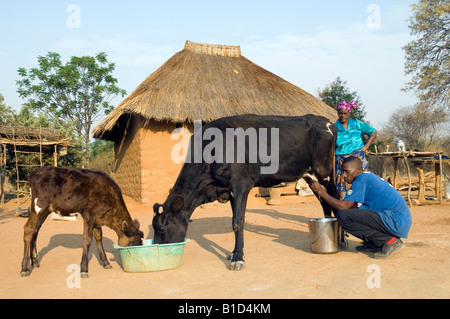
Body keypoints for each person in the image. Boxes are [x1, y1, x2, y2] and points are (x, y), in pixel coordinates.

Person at [309, 156, 412, 259]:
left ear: (358, 171)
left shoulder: (361, 179)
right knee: (351, 213)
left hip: (395, 220)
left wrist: (321, 192)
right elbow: (352, 207)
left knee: (343, 216)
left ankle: (390, 241)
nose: (344, 175)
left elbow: (343, 207)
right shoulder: (365, 177)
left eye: (347, 172)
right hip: (397, 219)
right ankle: (375, 243)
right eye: (343, 172)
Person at [335, 100, 377, 200]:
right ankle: (345, 210)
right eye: (340, 113)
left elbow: (373, 132)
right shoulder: (334, 128)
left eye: (345, 113)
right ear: (337, 113)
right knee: (342, 185)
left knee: (363, 181)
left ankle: (364, 207)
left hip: (358, 158)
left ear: (349, 113)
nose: (343, 116)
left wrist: (366, 147)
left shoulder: (357, 124)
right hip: (342, 160)